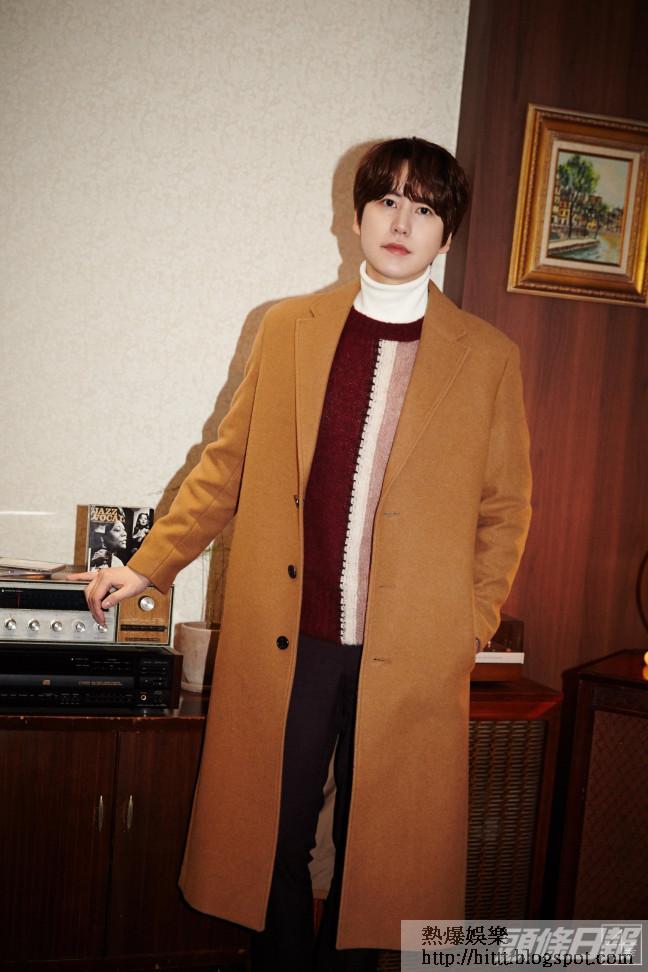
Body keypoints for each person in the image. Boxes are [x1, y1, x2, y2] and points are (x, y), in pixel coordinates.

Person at [69, 137, 532, 971]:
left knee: (378, 847)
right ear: (355, 219)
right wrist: (147, 565)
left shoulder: (489, 358)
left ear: (447, 236)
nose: (402, 221)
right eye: (386, 201)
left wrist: (471, 622)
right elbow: (226, 466)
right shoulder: (289, 329)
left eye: (425, 208)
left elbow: (504, 510)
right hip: (295, 640)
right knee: (271, 833)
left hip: (412, 649)